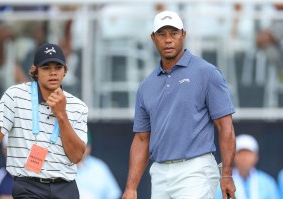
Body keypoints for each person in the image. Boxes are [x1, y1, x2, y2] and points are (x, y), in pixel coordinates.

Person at [122, 11, 236, 199]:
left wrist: (227, 174)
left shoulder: (207, 72)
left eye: (173, 33)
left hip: (195, 170)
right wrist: (131, 187)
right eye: (162, 34)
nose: (168, 40)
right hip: (159, 173)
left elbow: (225, 126)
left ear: (183, 35)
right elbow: (142, 138)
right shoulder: (146, 85)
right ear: (153, 38)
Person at [0, 42, 88, 199]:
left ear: (65, 71)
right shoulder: (14, 95)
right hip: (29, 187)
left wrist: (62, 115)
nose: (53, 73)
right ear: (34, 71)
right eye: (46, 67)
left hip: (66, 187)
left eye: (58, 67)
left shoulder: (78, 106)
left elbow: (77, 156)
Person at [215, 134, 279, 199]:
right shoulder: (222, 183)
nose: (244, 158)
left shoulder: (268, 182)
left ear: (256, 157)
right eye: (240, 153)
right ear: (233, 157)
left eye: (248, 153)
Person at [76, 131, 121, 199]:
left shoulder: (99, 167)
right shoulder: (60, 167)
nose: (82, 148)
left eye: (85, 144)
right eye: (77, 144)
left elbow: (113, 195)